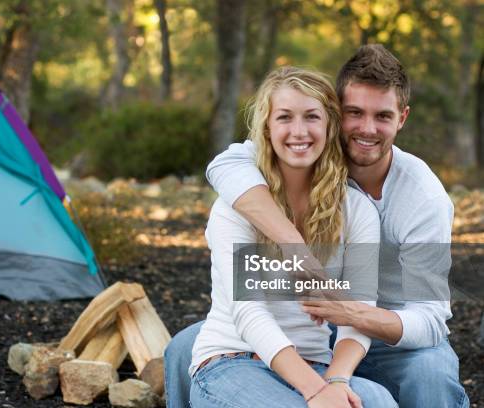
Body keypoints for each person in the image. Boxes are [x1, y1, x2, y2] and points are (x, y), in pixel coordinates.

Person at [165, 45, 469, 408]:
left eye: (382, 116)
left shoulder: (417, 200)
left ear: (402, 118)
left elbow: (429, 320)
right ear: (337, 114)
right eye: (355, 113)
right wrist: (297, 250)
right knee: (184, 347)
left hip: (378, 339)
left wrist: (351, 319)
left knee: (418, 381)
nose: (367, 129)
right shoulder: (255, 178)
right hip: (287, 339)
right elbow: (224, 164)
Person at [187, 66, 396, 408]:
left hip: (318, 363)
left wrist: (337, 380)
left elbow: (358, 311)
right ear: (267, 129)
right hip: (233, 360)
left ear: (330, 126)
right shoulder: (235, 207)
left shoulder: (356, 209)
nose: (299, 131)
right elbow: (249, 313)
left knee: (380, 402)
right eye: (284, 117)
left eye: (312, 117)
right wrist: (315, 391)